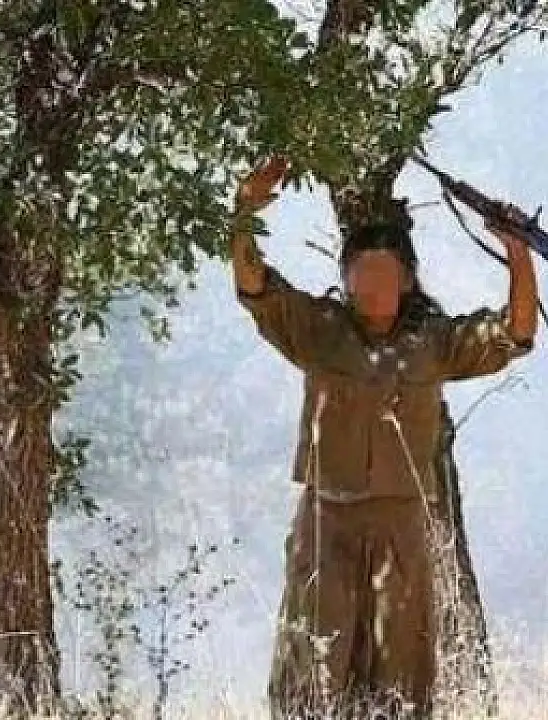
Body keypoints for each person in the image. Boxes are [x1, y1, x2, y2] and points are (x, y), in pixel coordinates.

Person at [230, 157, 538, 718]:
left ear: (407, 280)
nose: (373, 289)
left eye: (385, 276)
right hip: (327, 521)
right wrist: (246, 209)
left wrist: (517, 251)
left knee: (401, 672)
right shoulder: (318, 331)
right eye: (362, 276)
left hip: (402, 525)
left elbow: (515, 332)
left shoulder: (434, 342)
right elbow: (256, 287)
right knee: (314, 665)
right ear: (346, 280)